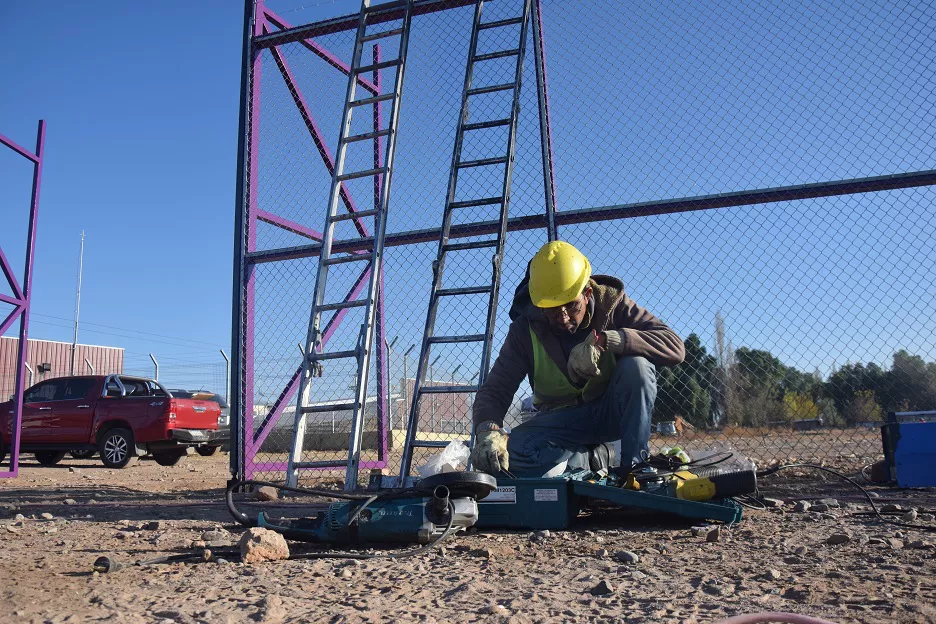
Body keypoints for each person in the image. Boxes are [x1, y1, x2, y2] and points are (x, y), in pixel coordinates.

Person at [470, 240, 685, 477]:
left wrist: (608, 340)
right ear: (538, 303)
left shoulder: (612, 305)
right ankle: (591, 458)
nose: (562, 317)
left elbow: (674, 346)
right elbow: (495, 389)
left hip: (609, 412)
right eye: (551, 308)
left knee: (638, 367)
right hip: (561, 421)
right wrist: (488, 430)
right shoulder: (524, 330)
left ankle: (634, 469)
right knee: (513, 452)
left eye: (571, 305)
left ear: (587, 293)